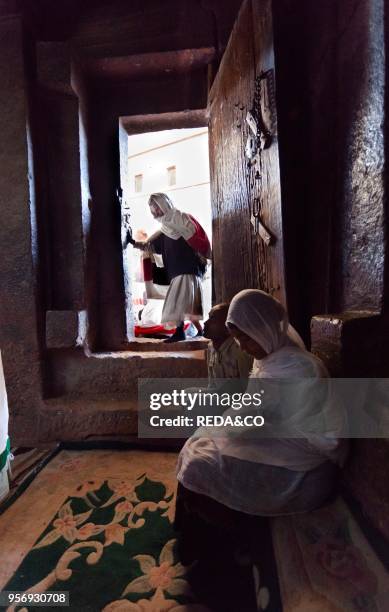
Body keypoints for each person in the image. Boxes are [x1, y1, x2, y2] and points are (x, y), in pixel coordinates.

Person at [176, 289, 348, 524]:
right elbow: (252, 406)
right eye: (237, 339)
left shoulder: (302, 369)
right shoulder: (267, 361)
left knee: (202, 463)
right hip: (278, 444)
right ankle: (200, 536)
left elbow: (324, 438)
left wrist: (245, 428)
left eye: (245, 337)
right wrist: (224, 427)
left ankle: (228, 542)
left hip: (306, 468)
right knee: (198, 446)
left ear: (264, 327)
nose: (242, 346)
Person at [127, 193, 211, 343]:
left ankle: (180, 332)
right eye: (153, 212)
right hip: (178, 271)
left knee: (176, 302)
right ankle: (200, 330)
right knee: (187, 304)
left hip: (187, 268)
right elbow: (149, 245)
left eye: (157, 210)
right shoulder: (165, 230)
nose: (155, 215)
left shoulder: (181, 219)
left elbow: (193, 236)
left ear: (164, 205)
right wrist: (133, 242)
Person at [203, 302, 253, 389]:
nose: (205, 323)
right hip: (219, 397)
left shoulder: (240, 350)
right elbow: (211, 385)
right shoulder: (211, 347)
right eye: (209, 318)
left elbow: (247, 388)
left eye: (213, 319)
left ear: (227, 327)